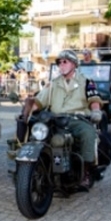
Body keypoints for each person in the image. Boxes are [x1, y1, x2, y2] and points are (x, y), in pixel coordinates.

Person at [21, 50, 102, 190]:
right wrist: (27, 111)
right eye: (59, 62)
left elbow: (93, 98)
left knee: (88, 133)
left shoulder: (86, 81)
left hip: (76, 118)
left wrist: (96, 111)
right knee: (38, 135)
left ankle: (86, 172)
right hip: (55, 119)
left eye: (65, 62)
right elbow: (40, 101)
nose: (61, 65)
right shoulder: (53, 84)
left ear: (74, 64)